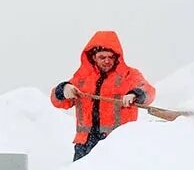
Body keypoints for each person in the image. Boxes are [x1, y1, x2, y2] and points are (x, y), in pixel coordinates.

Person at [51, 30, 156, 161]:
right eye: (102, 57)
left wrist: (135, 94)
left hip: (117, 145)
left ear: (117, 57)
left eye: (110, 57)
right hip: (84, 146)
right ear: (93, 57)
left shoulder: (129, 75)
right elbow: (56, 101)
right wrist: (63, 90)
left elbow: (149, 91)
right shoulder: (82, 78)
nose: (107, 61)